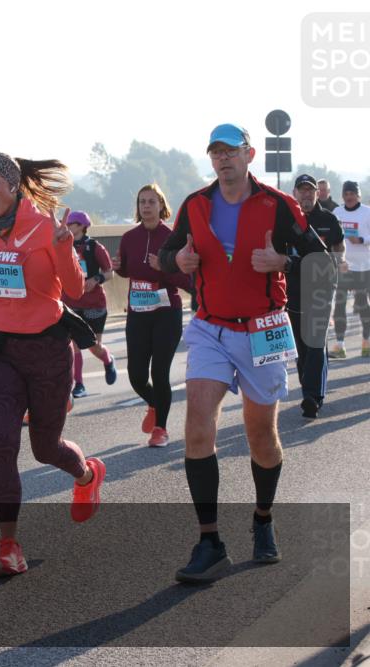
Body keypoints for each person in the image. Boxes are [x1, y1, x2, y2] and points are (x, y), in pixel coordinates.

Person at [157, 124, 330, 583]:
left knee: (260, 436)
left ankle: (263, 518)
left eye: (231, 151)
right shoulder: (195, 205)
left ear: (249, 154)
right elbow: (168, 252)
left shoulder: (278, 205)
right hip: (210, 328)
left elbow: (321, 259)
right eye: (215, 152)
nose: (223, 159)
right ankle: (210, 541)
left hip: (263, 330)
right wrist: (180, 261)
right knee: (197, 427)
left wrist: (284, 262)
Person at [0, 152, 105, 577]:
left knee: (45, 448)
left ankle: (86, 475)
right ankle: (8, 545)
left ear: (12, 186)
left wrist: (65, 246)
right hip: (4, 352)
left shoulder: (46, 226)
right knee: (3, 443)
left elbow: (75, 287)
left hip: (48, 351)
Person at [115, 184, 192, 447]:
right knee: (136, 375)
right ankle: (153, 404)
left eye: (151, 202)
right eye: (141, 202)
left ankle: (161, 429)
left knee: (159, 373)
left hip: (166, 314)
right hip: (137, 314)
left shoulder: (173, 239)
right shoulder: (129, 238)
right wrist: (120, 269)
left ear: (161, 206)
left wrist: (165, 268)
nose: (146, 206)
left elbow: (190, 282)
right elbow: (127, 269)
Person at [288, 174, 345, 419]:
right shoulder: (287, 219)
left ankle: (311, 396)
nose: (306, 195)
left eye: (310, 191)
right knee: (302, 346)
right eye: (302, 191)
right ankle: (311, 391)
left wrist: (338, 262)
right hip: (294, 289)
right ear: (295, 194)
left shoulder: (328, 219)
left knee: (315, 340)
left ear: (316, 193)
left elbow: (339, 246)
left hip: (321, 287)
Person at [62, 211, 117, 398]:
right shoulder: (64, 246)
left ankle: (108, 360)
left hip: (94, 304)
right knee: (74, 345)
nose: (68, 226)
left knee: (94, 347)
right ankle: (79, 385)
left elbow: (110, 273)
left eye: (72, 223)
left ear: (81, 226)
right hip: (71, 303)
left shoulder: (95, 247)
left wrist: (96, 279)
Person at [328, 181, 370, 359]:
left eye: (353, 193)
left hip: (363, 266)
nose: (349, 197)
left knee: (362, 305)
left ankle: (366, 342)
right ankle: (340, 344)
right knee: (339, 305)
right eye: (346, 193)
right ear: (343, 196)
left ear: (358, 195)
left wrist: (361, 240)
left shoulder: (367, 212)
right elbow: (331, 235)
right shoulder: (337, 213)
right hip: (344, 266)